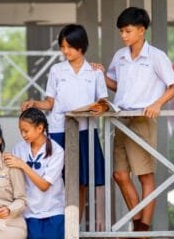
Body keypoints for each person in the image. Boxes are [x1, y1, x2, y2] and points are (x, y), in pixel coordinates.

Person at [103, 7, 174, 239]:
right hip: (121, 118)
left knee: (146, 176)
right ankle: (137, 230)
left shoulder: (155, 56)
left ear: (141, 30)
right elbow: (117, 85)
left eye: (127, 31)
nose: (123, 36)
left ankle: (141, 233)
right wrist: (97, 74)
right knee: (119, 175)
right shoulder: (120, 56)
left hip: (142, 119)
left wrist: (157, 104)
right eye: (121, 32)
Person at [21, 24, 108, 213]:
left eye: (69, 46)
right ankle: (59, 223)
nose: (65, 51)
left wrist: (100, 108)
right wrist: (34, 103)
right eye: (62, 46)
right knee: (58, 178)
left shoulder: (95, 72)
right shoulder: (56, 70)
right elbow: (50, 103)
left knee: (80, 181)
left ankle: (74, 231)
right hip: (59, 130)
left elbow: (103, 102)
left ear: (81, 46)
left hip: (85, 131)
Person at [4, 108, 65, 239]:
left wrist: (23, 165)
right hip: (28, 211)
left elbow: (44, 185)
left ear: (40, 128)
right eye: (21, 131)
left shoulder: (57, 151)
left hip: (52, 210)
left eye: (26, 130)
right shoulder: (18, 149)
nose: (23, 135)